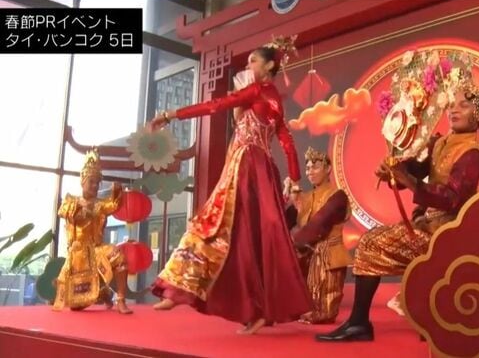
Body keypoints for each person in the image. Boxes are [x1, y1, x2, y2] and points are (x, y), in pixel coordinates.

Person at [148, 36, 310, 335]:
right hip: (264, 172)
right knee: (249, 241)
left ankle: (180, 287)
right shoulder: (275, 99)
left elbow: (216, 105)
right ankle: (256, 311)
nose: (248, 66)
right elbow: (287, 143)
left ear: (269, 65)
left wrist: (170, 115)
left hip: (245, 166)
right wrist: (295, 178)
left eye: (253, 61)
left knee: (213, 224)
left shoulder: (257, 91)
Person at [315, 87, 479, 342]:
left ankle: (359, 323)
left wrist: (406, 179)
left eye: (463, 105)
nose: (453, 109)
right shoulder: (443, 142)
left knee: (370, 243)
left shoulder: (472, 152)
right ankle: (358, 323)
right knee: (371, 242)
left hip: (448, 236)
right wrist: (396, 170)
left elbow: (451, 198)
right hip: (429, 226)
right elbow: (419, 169)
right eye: (452, 104)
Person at [53, 149, 132, 314]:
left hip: (96, 250)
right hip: (78, 254)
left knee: (119, 256)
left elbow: (114, 205)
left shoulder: (100, 204)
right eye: (91, 182)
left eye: (97, 183)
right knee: (76, 305)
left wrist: (117, 192)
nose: (95, 186)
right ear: (82, 181)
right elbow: (63, 212)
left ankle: (121, 299)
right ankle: (104, 294)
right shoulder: (71, 201)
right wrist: (82, 211)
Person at [285, 147, 351, 324]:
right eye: (307, 168)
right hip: (306, 255)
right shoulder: (304, 197)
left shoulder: (338, 196)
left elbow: (319, 224)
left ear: (328, 169)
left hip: (328, 258)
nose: (310, 172)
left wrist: (292, 244)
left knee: (323, 313)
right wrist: (287, 199)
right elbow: (282, 222)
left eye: (315, 167)